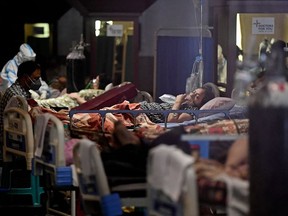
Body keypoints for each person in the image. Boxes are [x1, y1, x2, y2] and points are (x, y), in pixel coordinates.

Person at [0, 61, 42, 153]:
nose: (38, 82)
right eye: (35, 78)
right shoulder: (15, 95)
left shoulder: (24, 92)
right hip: (12, 140)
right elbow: (27, 118)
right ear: (25, 77)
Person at [139, 83, 218, 123]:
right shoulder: (185, 104)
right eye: (194, 92)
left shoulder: (192, 112)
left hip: (141, 113)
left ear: (201, 104)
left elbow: (171, 121)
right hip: (141, 107)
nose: (191, 94)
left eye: (197, 97)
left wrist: (178, 101)